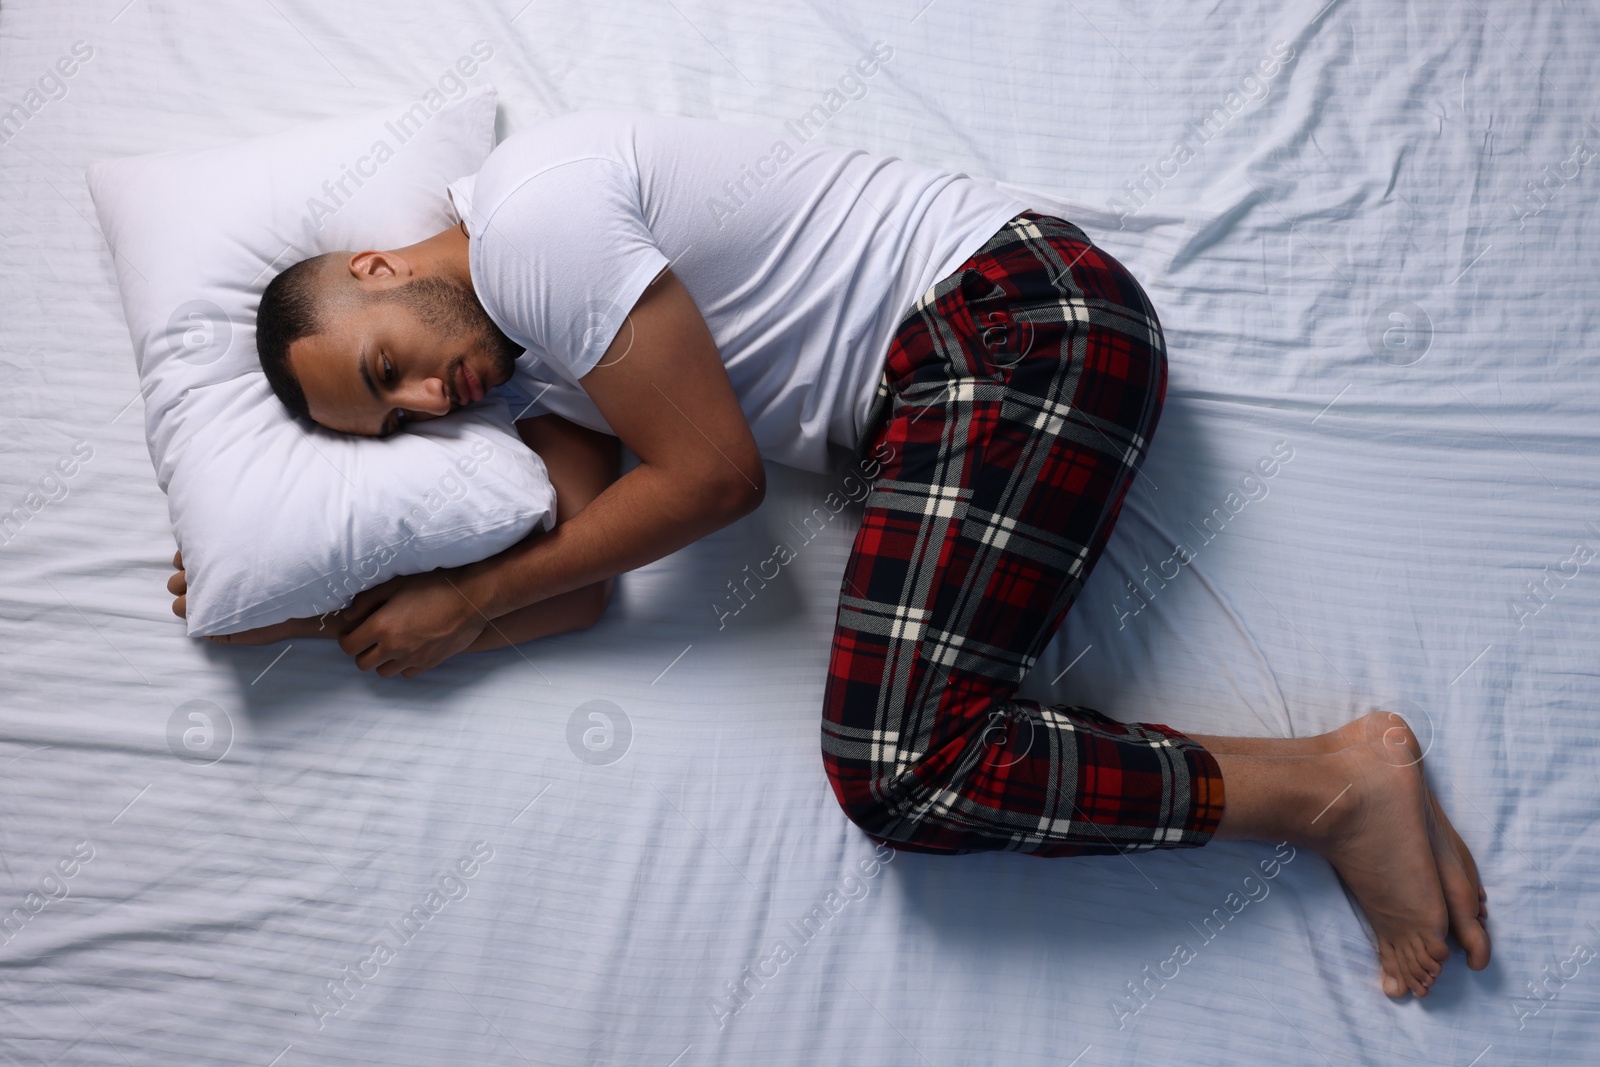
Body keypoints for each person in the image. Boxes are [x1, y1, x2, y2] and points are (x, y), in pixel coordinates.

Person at [165, 107, 1490, 999]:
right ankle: (1337, 783)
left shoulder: (533, 229)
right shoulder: (529, 377)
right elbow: (573, 586)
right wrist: (301, 611)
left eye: (386, 367)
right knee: (909, 772)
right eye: (391, 421)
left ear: (381, 264)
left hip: (1012, 322)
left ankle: (1329, 788)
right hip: (945, 392)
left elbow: (715, 483)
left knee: (900, 769)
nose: (422, 405)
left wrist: (466, 601)